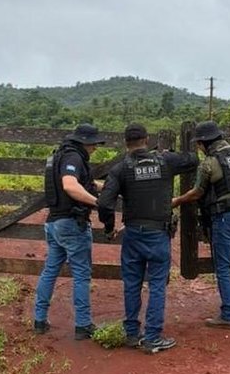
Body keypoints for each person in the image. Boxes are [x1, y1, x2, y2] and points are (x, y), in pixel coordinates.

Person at [97, 123, 198, 354]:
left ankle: (132, 333)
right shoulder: (165, 162)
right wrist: (166, 153)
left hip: (132, 233)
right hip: (158, 233)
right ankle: (152, 337)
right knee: (156, 285)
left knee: (132, 284)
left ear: (125, 143)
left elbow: (104, 203)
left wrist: (110, 227)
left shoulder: (121, 169)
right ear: (146, 139)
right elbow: (192, 159)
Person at [171, 120, 230, 329]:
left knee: (222, 267)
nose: (198, 147)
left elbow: (197, 192)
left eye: (199, 144)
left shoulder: (209, 163)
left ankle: (229, 315)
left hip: (228, 217)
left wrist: (177, 201)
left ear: (204, 143)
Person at [33, 123, 105, 340]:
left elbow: (87, 183)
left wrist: (112, 186)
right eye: (93, 144)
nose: (95, 148)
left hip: (54, 222)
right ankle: (83, 325)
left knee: (50, 270)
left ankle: (39, 319)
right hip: (71, 223)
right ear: (85, 142)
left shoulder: (60, 155)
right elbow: (70, 186)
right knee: (82, 274)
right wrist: (98, 203)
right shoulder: (73, 158)